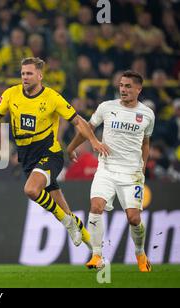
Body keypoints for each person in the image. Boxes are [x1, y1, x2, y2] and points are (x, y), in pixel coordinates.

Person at [0, 57, 110, 249]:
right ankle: (96, 251)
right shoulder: (11, 94)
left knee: (31, 190)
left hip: (50, 154)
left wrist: (93, 141)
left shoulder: (52, 98)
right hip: (28, 159)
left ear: (40, 75)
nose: (25, 77)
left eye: (29, 73)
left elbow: (78, 121)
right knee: (62, 208)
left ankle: (67, 223)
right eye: (23, 73)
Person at [67, 70, 155, 272]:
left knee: (134, 218)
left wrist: (143, 165)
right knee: (96, 206)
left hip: (131, 174)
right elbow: (87, 128)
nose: (123, 90)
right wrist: (71, 148)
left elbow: (146, 144)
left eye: (128, 86)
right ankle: (97, 255)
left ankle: (140, 253)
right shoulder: (106, 107)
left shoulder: (147, 114)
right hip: (106, 169)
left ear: (138, 89)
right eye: (121, 86)